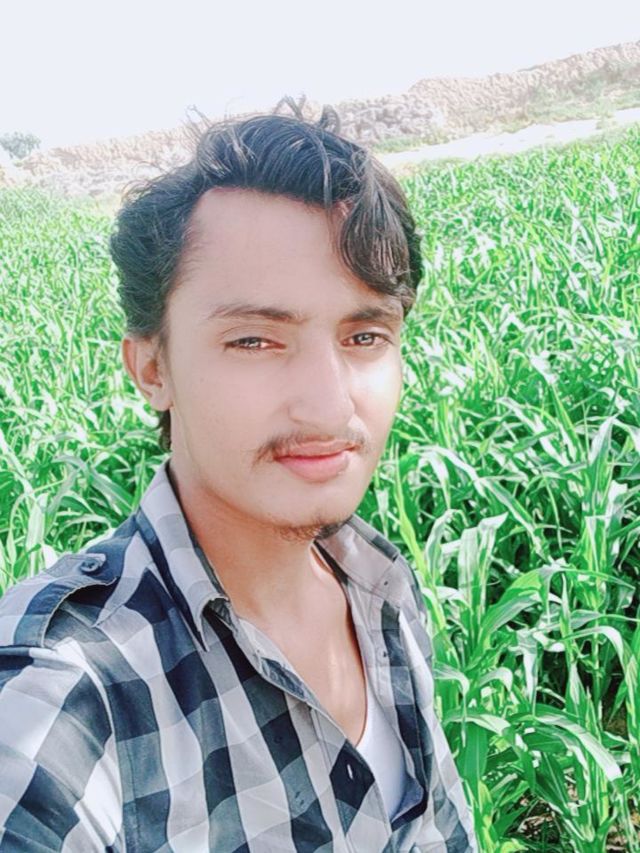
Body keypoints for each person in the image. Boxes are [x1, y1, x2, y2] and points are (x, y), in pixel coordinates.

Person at [0, 101, 476, 852]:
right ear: (152, 368)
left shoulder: (380, 587)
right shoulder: (71, 696)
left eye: (365, 335)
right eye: (255, 340)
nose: (330, 405)